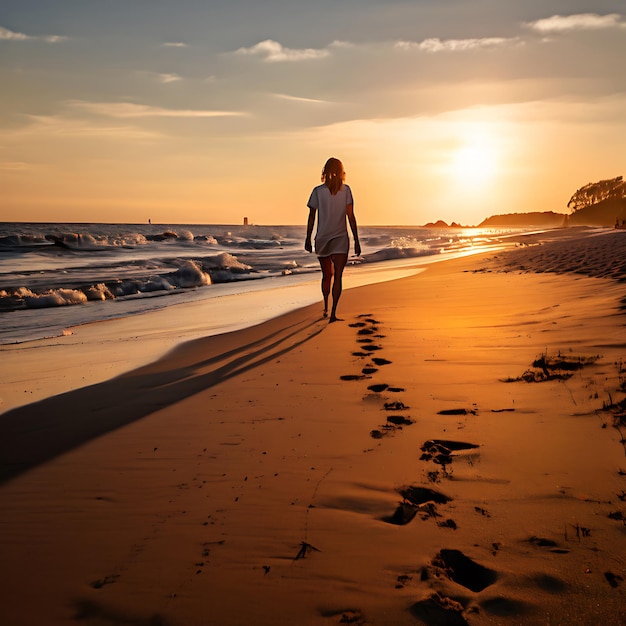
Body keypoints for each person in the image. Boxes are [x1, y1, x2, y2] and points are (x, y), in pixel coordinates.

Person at [305, 157, 361, 322]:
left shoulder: (317, 191)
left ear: (325, 172)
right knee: (338, 276)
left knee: (326, 275)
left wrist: (308, 238)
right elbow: (350, 216)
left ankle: (325, 307)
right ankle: (333, 313)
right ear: (342, 172)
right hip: (340, 238)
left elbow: (311, 217)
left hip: (322, 238)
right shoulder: (346, 190)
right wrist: (357, 239)